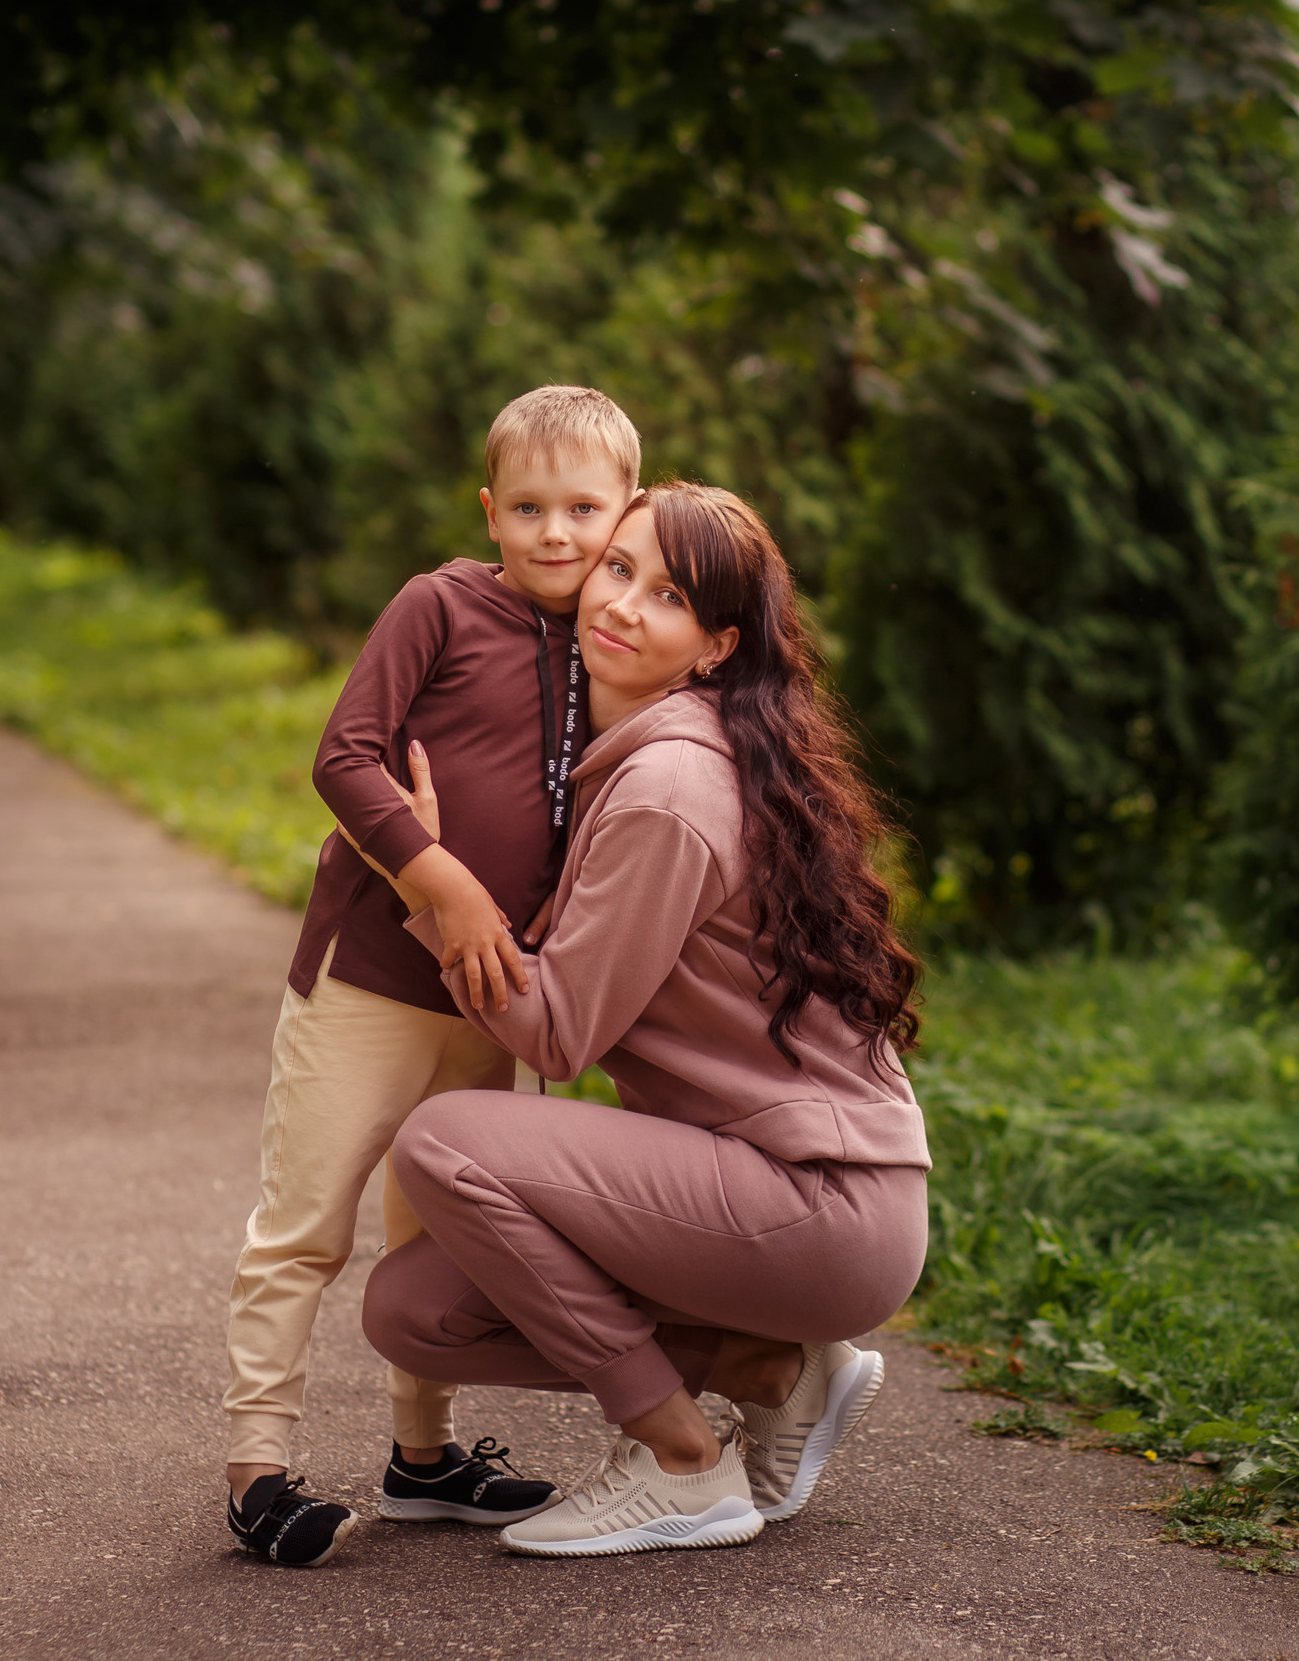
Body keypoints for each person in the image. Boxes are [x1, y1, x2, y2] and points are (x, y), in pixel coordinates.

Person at [360, 481, 932, 1558]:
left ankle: (678, 1460)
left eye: (664, 595)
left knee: (443, 1144)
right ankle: (771, 1371)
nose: (620, 603)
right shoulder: (662, 755)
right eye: (616, 569)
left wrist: (433, 894)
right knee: (411, 1311)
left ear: (714, 646)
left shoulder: (669, 785)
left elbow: (561, 1035)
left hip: (820, 1206)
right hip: (770, 1194)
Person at [220, 386, 644, 1566]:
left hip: (491, 995)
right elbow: (344, 756)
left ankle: (424, 1458)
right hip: (367, 977)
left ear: (627, 512)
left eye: (583, 509)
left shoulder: (613, 644)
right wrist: (438, 877)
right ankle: (257, 1465)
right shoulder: (440, 606)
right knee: (306, 1220)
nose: (555, 534)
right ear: (488, 509)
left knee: (439, 1232)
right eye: (527, 508)